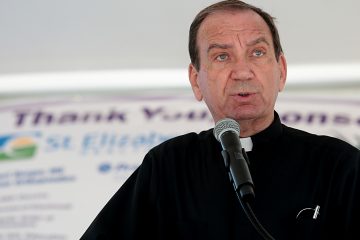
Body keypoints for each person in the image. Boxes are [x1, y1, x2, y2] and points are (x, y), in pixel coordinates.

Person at [80, 0, 360, 239]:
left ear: (281, 71)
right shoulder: (167, 166)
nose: (242, 72)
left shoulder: (340, 166)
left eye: (258, 53)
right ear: (196, 80)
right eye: (222, 56)